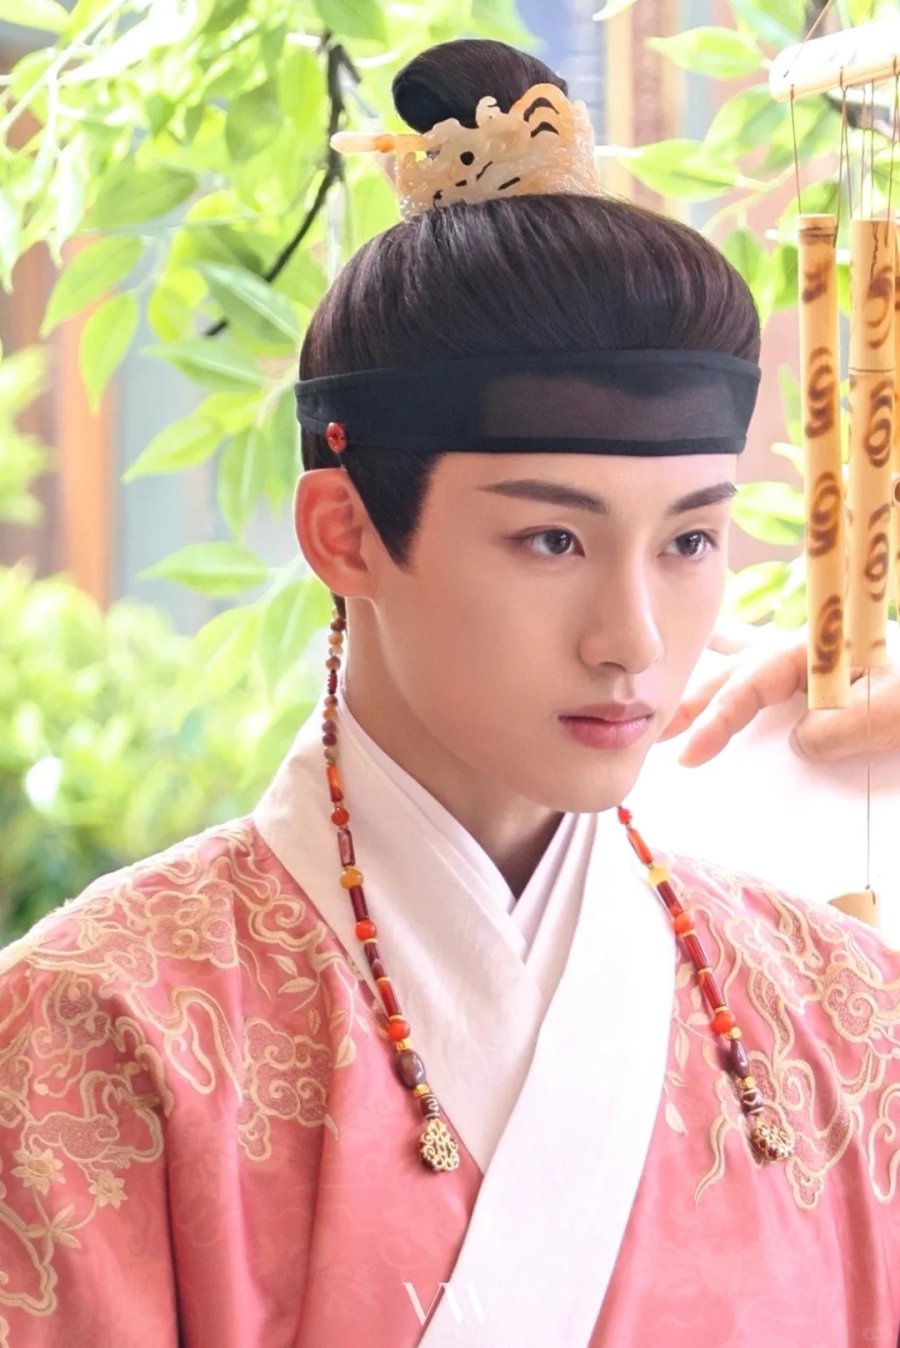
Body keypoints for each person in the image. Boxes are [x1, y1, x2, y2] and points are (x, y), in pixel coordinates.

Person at [1, 38, 899, 1348]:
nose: (634, 639)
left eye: (690, 539)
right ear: (346, 533)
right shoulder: (98, 1029)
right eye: (553, 539)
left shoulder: (848, 1015)